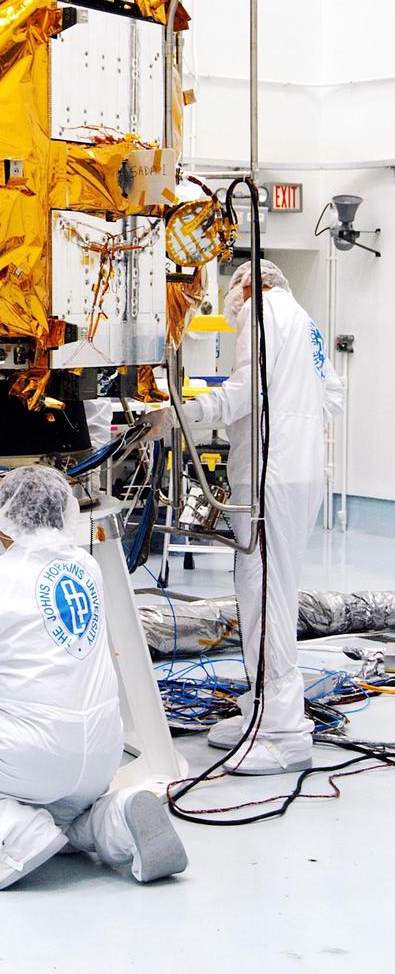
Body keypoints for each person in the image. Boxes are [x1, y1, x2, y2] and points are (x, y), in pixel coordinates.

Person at [0, 464, 188, 891]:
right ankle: (116, 820)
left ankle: (14, 837)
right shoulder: (86, 566)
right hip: (102, 752)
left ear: (2, 520)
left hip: (31, 749)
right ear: (65, 511)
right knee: (60, 815)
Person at [149, 259, 345, 775]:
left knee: (265, 600)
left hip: (269, 477)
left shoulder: (260, 312)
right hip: (298, 473)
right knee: (267, 591)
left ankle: (284, 735)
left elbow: (242, 394)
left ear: (245, 287)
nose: (229, 310)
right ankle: (262, 710)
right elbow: (331, 396)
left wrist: (179, 413)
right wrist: (294, 430)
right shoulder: (303, 320)